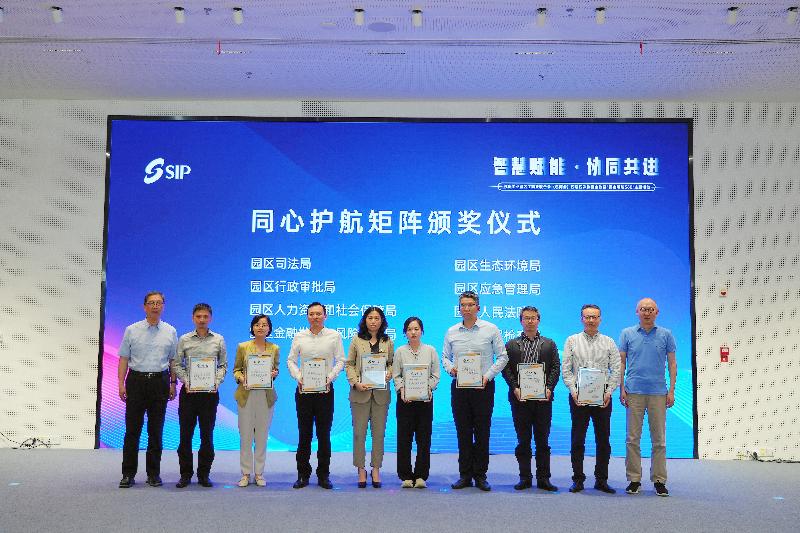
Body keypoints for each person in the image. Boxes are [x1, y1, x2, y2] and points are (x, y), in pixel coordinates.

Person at [442, 291, 508, 491]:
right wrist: (451, 369)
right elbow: (444, 357)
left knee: (482, 431)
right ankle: (465, 475)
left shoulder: (491, 329)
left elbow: (503, 357)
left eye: (470, 304)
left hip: (483, 387)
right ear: (459, 308)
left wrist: (487, 376)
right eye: (463, 305)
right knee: (463, 431)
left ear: (478, 308)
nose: (467, 308)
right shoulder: (452, 331)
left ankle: (480, 475)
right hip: (460, 388)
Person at [117, 291, 177, 488]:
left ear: (163, 306)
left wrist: (173, 383)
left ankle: (153, 474)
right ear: (144, 307)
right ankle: (128, 474)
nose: (155, 306)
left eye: (159, 303)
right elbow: (124, 358)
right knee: (132, 430)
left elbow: (173, 360)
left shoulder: (170, 331)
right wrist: (121, 383)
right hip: (136, 381)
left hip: (160, 382)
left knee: (156, 431)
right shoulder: (131, 330)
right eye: (151, 303)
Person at [618, 297, 677, 497]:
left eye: (650, 309)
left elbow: (672, 364)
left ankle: (659, 480)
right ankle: (634, 479)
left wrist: (671, 390)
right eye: (643, 309)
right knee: (632, 439)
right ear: (637, 312)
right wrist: (621, 388)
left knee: (659, 440)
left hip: (658, 393)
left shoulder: (666, 334)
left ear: (657, 312)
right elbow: (621, 363)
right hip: (633, 391)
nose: (647, 312)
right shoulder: (627, 333)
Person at [561, 304, 621, 494]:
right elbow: (566, 369)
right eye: (587, 317)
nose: (591, 320)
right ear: (582, 319)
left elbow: (616, 369)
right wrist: (573, 391)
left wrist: (609, 392)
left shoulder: (609, 342)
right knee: (577, 440)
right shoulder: (572, 340)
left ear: (600, 319)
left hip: (602, 399)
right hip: (578, 398)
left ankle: (601, 480)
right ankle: (578, 479)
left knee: (603, 441)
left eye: (594, 317)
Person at [287, 302, 345, 489]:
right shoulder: (299, 336)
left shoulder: (334, 336)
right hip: (304, 392)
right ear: (307, 317)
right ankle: (302, 474)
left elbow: (341, 360)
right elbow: (291, 360)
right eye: (311, 314)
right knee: (304, 434)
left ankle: (323, 475)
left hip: (325, 392)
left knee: (324, 434)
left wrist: (330, 377)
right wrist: (299, 376)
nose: (315, 317)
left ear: (325, 316)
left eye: (319, 314)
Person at [502, 306, 560, 492]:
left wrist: (549, 388)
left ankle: (544, 479)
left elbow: (555, 367)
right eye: (526, 318)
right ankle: (524, 477)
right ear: (521, 321)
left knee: (543, 441)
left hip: (543, 400)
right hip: (520, 400)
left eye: (533, 318)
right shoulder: (511, 345)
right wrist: (515, 387)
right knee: (523, 440)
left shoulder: (549, 344)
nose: (530, 321)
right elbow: (506, 369)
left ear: (538, 320)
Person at [173, 303, 227, 488]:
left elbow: (223, 365)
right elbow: (177, 364)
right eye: (198, 316)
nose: (202, 320)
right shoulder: (184, 339)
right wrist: (186, 381)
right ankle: (185, 474)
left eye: (205, 316)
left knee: (207, 435)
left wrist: (216, 382)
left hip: (209, 395)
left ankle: (204, 474)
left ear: (210, 318)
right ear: (193, 318)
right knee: (185, 436)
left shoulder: (218, 339)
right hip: (189, 394)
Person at [345, 307, 394, 488]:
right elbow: (349, 364)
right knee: (359, 434)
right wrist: (355, 382)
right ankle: (360, 469)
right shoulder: (356, 340)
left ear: (382, 321)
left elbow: (391, 363)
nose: (373, 321)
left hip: (381, 394)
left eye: (377, 318)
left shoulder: (387, 341)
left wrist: (389, 373)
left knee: (378, 433)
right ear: (365, 320)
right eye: (370, 318)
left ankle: (376, 469)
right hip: (360, 393)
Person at [232, 314, 280, 488]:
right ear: (252, 328)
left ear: (269, 329)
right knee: (245, 435)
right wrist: (242, 378)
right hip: (246, 395)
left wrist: (274, 373)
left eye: (264, 325)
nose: (261, 327)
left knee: (261, 436)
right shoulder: (243, 347)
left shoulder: (274, 348)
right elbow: (236, 370)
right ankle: (245, 473)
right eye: (257, 324)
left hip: (265, 396)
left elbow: (276, 369)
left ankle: (259, 473)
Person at [392, 316, 440, 489]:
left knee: (423, 439)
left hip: (425, 401)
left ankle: (420, 475)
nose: (413, 332)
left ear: (422, 331)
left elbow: (435, 374)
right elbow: (396, 375)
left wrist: (429, 388)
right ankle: (405, 476)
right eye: (409, 329)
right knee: (404, 438)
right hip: (405, 401)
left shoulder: (430, 350)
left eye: (416, 329)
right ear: (405, 332)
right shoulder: (400, 351)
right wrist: (401, 390)